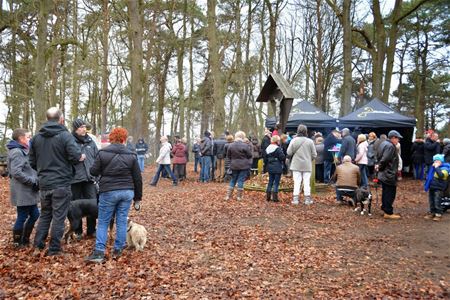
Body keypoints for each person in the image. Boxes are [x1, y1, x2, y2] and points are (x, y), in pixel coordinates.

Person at [30, 107, 84, 256]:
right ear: (61, 119)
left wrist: (44, 171)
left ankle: (38, 246)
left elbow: (32, 162)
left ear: (47, 119)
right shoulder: (65, 136)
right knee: (59, 217)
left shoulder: (36, 138)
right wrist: (78, 158)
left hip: (45, 183)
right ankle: (54, 249)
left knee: (45, 215)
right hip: (61, 183)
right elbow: (75, 156)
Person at [85, 127, 142, 263]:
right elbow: (137, 178)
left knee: (104, 221)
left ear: (111, 138)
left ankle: (99, 252)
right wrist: (138, 198)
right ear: (124, 139)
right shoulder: (131, 155)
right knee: (121, 221)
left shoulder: (103, 153)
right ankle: (118, 249)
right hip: (127, 191)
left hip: (108, 191)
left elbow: (93, 171)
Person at [7, 129, 40, 247]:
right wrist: (32, 182)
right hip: (23, 190)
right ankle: (17, 242)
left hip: (29, 191)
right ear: (21, 138)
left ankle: (25, 239)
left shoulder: (23, 150)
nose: (30, 138)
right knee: (22, 216)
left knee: (35, 214)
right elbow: (16, 172)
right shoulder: (17, 152)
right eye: (28, 137)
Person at [71, 118, 99, 238]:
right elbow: (65, 158)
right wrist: (75, 158)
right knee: (76, 206)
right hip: (75, 179)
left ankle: (91, 230)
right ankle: (77, 231)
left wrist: (97, 175)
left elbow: (97, 158)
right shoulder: (70, 141)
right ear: (75, 129)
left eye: (84, 127)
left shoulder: (90, 141)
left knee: (93, 205)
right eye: (81, 127)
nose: (84, 129)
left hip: (90, 178)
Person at [287, 124, 317, 205]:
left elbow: (288, 153)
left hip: (296, 164)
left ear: (298, 131)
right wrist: (308, 159)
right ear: (306, 131)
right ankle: (307, 199)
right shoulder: (310, 141)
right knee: (306, 182)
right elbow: (314, 155)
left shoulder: (293, 140)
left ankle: (295, 199)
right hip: (307, 164)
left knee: (297, 182)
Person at [375, 130, 402, 220]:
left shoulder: (383, 143)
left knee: (386, 192)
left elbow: (379, 156)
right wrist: (380, 167)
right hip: (388, 173)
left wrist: (379, 166)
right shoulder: (390, 146)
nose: (398, 140)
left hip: (384, 173)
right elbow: (385, 159)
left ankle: (385, 208)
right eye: (397, 138)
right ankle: (388, 212)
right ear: (393, 138)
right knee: (390, 193)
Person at [224, 131, 252, 201]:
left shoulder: (231, 145)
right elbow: (250, 155)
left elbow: (228, 156)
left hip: (234, 165)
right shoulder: (245, 145)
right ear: (243, 137)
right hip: (244, 166)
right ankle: (239, 197)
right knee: (240, 180)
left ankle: (228, 196)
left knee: (233, 180)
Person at [424, 154, 449, 222]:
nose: (435, 162)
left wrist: (437, 167)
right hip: (432, 186)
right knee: (431, 200)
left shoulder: (445, 168)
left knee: (437, 201)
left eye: (437, 161)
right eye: (435, 161)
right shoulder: (433, 168)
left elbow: (441, 175)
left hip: (439, 187)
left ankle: (438, 214)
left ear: (441, 161)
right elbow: (429, 176)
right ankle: (432, 212)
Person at [264, 135, 285, 202]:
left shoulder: (267, 148)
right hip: (277, 167)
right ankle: (275, 198)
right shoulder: (278, 148)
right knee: (276, 183)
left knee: (270, 182)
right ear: (277, 141)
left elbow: (265, 159)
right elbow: (282, 157)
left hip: (270, 167)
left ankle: (268, 197)